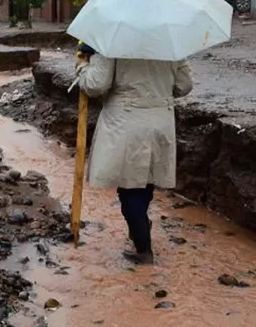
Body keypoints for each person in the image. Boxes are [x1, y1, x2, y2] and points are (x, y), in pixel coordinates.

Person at [75, 48, 193, 264]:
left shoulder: (113, 41)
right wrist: (158, 93)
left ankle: (143, 250)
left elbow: (96, 84)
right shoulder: (169, 43)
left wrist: (83, 67)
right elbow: (184, 85)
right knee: (145, 180)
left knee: (129, 190)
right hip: (160, 120)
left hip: (128, 123)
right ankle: (140, 226)